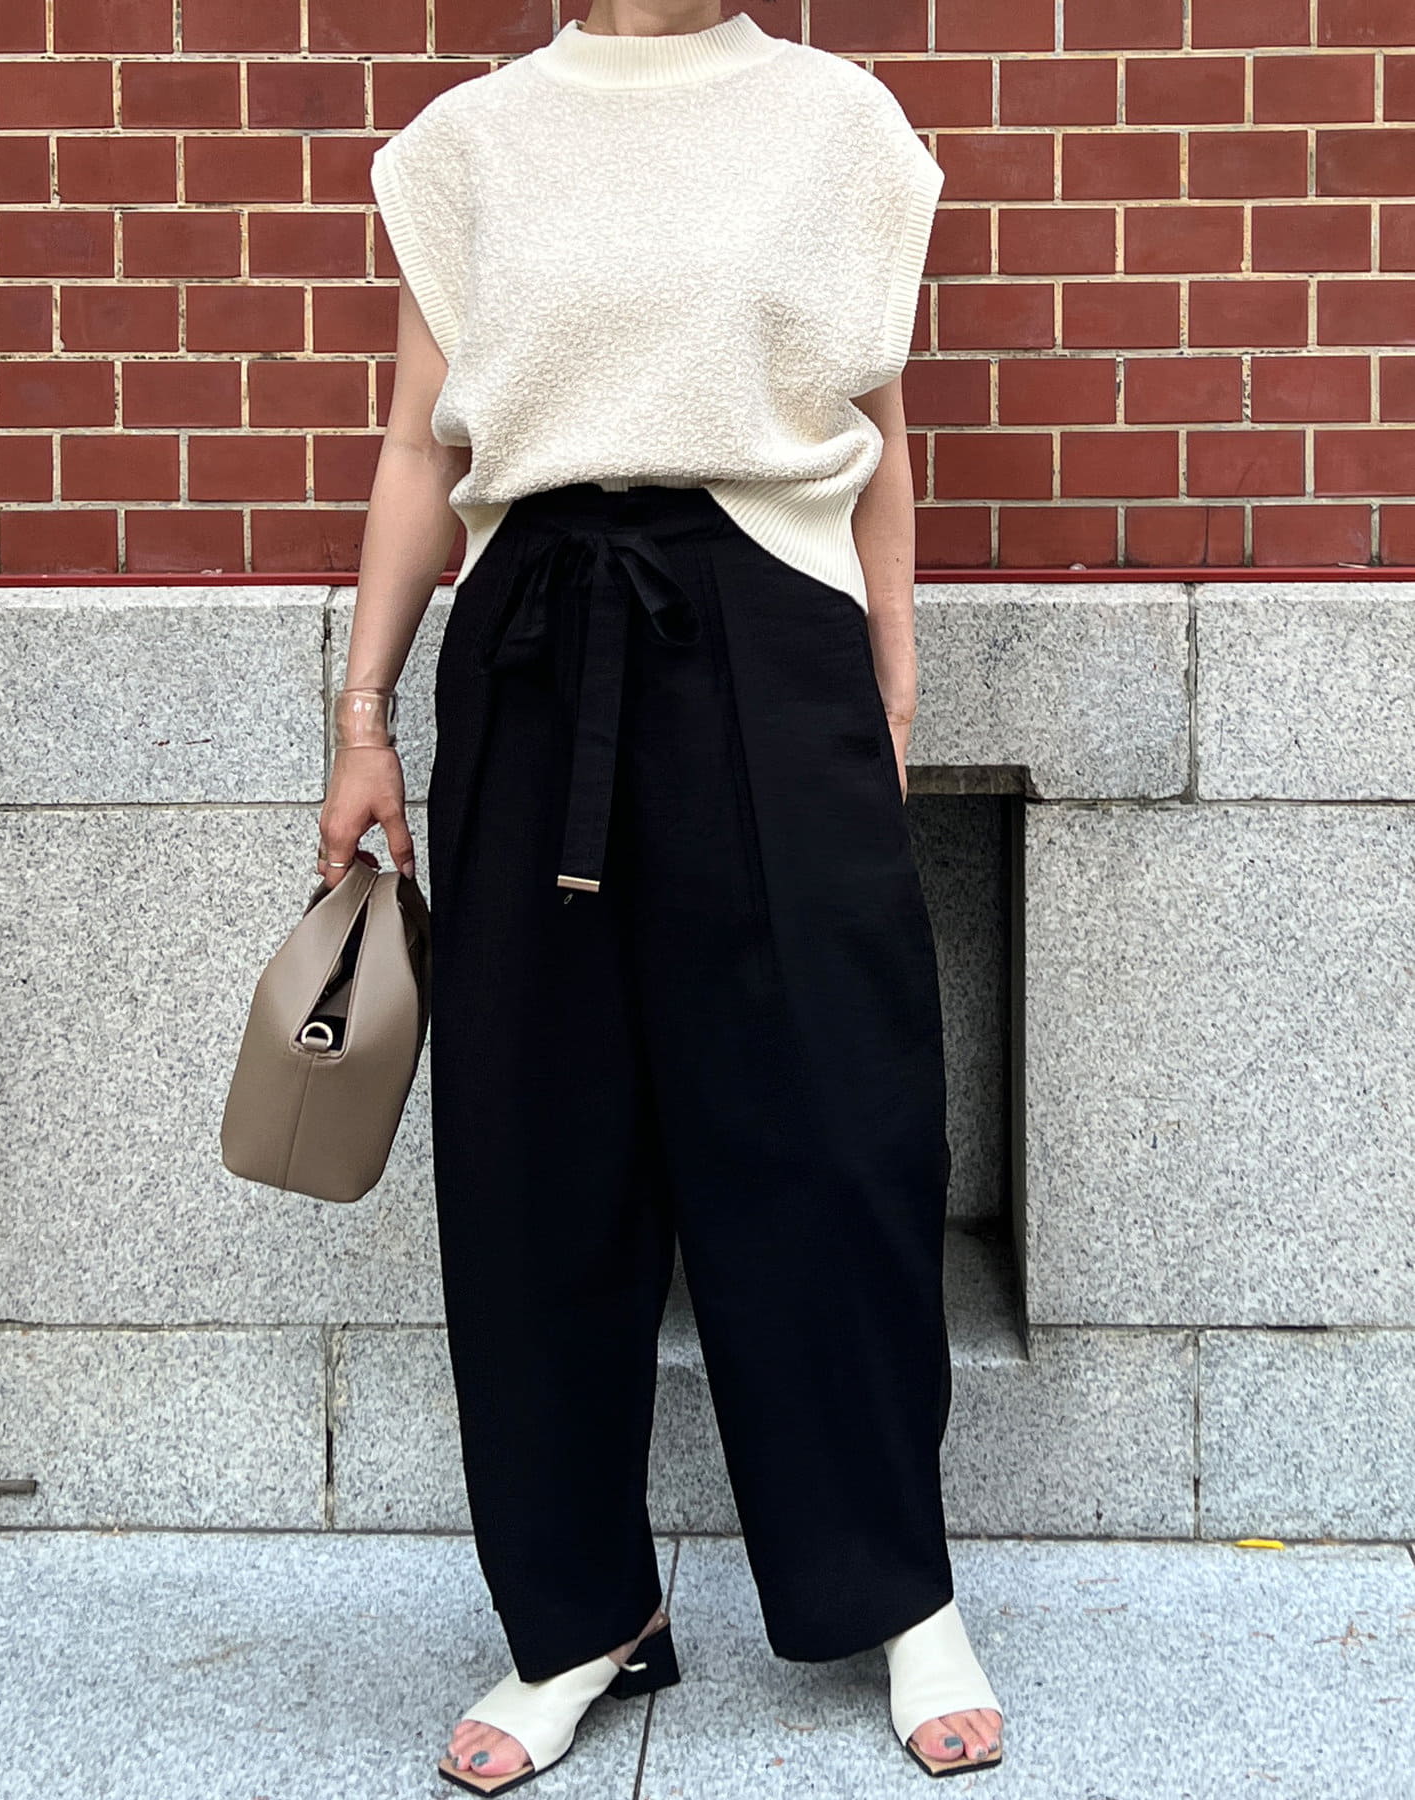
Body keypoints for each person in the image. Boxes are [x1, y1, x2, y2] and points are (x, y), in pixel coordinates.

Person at [318, 3, 1006, 1789]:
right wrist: (362, 715)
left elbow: (876, 428)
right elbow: (417, 449)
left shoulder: (835, 120)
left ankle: (899, 1590)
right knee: (536, 1146)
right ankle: (579, 1618)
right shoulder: (472, 141)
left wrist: (892, 675)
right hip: (533, 643)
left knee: (837, 1123)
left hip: (774, 638)